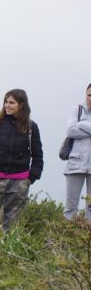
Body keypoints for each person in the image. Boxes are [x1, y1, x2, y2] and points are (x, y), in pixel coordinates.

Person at [0, 89, 43, 230]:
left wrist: (31, 177)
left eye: (11, 102)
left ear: (21, 105)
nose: (7, 105)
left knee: (12, 228)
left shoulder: (32, 127)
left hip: (19, 183)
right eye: (6, 102)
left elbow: (38, 156)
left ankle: (6, 252)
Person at [62, 83, 91, 221]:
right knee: (70, 207)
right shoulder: (77, 110)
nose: (90, 98)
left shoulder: (80, 119)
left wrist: (82, 124)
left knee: (90, 207)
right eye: (89, 95)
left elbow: (76, 127)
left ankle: (87, 240)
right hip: (76, 163)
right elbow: (71, 131)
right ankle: (68, 240)